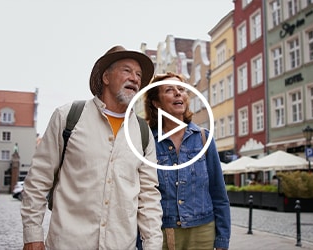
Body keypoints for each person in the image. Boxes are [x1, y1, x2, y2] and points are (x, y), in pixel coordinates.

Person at [21, 45, 163, 250]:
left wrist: (153, 245)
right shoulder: (68, 117)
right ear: (106, 77)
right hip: (67, 243)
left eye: (139, 74)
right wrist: (32, 234)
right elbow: (38, 180)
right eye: (127, 70)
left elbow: (149, 197)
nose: (135, 78)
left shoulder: (142, 132)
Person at [144, 72, 231, 250]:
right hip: (161, 233)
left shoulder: (203, 138)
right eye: (169, 90)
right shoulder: (147, 141)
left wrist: (222, 239)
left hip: (203, 232)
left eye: (182, 89)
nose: (178, 93)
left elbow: (218, 193)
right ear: (156, 103)